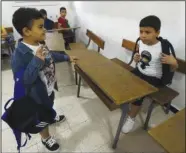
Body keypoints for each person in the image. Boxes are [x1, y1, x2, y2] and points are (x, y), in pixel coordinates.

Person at [11, 7, 78, 151]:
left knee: (49, 106)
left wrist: (67, 57)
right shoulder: (19, 55)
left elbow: (51, 55)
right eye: (40, 27)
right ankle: (46, 138)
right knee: (41, 118)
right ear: (26, 31)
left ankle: (51, 115)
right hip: (36, 97)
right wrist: (36, 61)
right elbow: (24, 81)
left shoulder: (39, 43)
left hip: (48, 88)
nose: (45, 30)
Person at [122, 15, 178, 134]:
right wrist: (137, 58)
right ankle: (126, 102)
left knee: (138, 93)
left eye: (147, 32)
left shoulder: (163, 47)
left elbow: (172, 68)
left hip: (154, 78)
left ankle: (131, 117)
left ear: (157, 33)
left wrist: (174, 63)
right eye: (141, 31)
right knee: (123, 78)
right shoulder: (141, 42)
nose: (143, 35)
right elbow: (143, 58)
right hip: (140, 71)